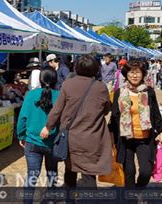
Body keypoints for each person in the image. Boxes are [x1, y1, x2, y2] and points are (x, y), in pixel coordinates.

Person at [40, 55, 112, 188]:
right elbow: (106, 110)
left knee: (70, 169)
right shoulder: (101, 87)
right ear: (95, 69)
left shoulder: (68, 84)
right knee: (90, 173)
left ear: (76, 68)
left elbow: (57, 109)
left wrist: (48, 127)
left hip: (71, 137)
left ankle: (70, 199)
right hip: (93, 137)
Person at [109, 60, 162, 188]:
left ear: (143, 74)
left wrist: (161, 132)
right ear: (126, 74)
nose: (134, 76)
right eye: (131, 72)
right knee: (129, 172)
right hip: (125, 139)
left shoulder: (149, 91)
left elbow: (156, 113)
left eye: (138, 73)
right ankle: (131, 197)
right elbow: (114, 116)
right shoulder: (119, 92)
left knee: (146, 171)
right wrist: (111, 133)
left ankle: (139, 189)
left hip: (144, 138)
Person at [17, 68, 59, 200]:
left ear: (40, 79)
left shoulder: (31, 95)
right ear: (55, 80)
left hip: (32, 142)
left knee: (32, 175)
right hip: (52, 142)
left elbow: (22, 117)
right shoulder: (59, 95)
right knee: (52, 173)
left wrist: (21, 135)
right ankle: (51, 198)